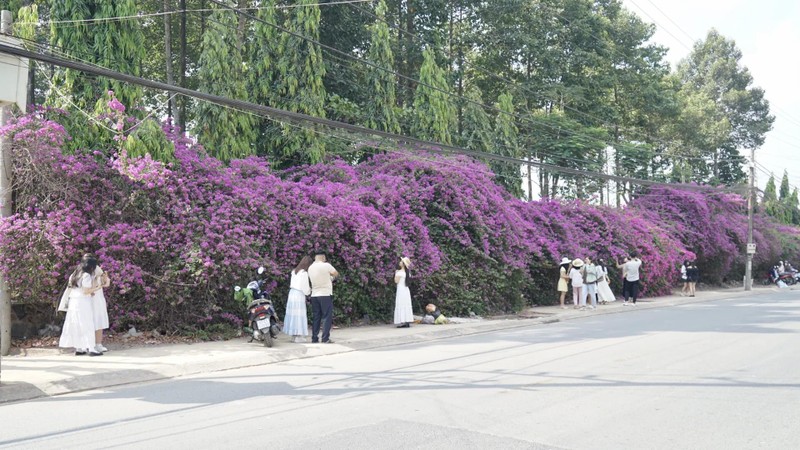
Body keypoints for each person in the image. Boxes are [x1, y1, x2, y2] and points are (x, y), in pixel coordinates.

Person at [58, 254, 104, 356]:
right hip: (83, 302)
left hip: (73, 301)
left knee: (76, 323)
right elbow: (86, 291)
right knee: (87, 323)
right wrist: (98, 287)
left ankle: (79, 348)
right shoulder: (86, 275)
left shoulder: (74, 274)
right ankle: (91, 348)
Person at [307, 250, 339, 344]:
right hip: (325, 294)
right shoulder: (326, 265)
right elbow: (336, 273)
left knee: (316, 316)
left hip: (314, 294)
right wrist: (331, 278)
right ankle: (325, 338)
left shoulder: (310, 268)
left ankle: (314, 338)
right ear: (323, 257)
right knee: (326, 316)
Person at [284, 256, 313, 343]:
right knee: (299, 314)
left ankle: (293, 335)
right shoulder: (304, 273)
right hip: (299, 295)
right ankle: (298, 335)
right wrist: (309, 291)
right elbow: (305, 287)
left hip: (292, 293)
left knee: (292, 314)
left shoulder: (294, 271)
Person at [92, 256, 111, 353]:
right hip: (86, 300)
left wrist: (104, 280)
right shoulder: (81, 271)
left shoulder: (98, 269)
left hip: (97, 299)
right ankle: (87, 344)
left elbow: (106, 283)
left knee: (99, 321)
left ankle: (98, 344)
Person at [394, 257, 414, 328]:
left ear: (403, 264)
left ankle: (402, 321)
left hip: (401, 289)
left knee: (401, 304)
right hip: (406, 289)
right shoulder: (408, 273)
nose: (400, 262)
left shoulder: (399, 272)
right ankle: (407, 321)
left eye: (401, 262)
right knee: (406, 304)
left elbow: (396, 281)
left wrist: (395, 274)